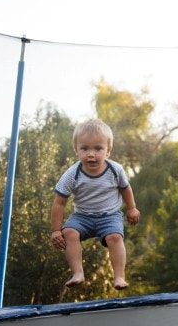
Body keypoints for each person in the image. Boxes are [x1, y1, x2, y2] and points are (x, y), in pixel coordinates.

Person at [50, 118, 140, 290]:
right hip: (82, 216)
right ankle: (77, 272)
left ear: (108, 151)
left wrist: (132, 208)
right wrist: (55, 231)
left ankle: (119, 277)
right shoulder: (72, 174)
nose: (91, 154)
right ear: (76, 150)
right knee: (68, 232)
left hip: (109, 215)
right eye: (85, 148)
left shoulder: (115, 170)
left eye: (98, 148)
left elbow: (125, 189)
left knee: (115, 237)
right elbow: (59, 203)